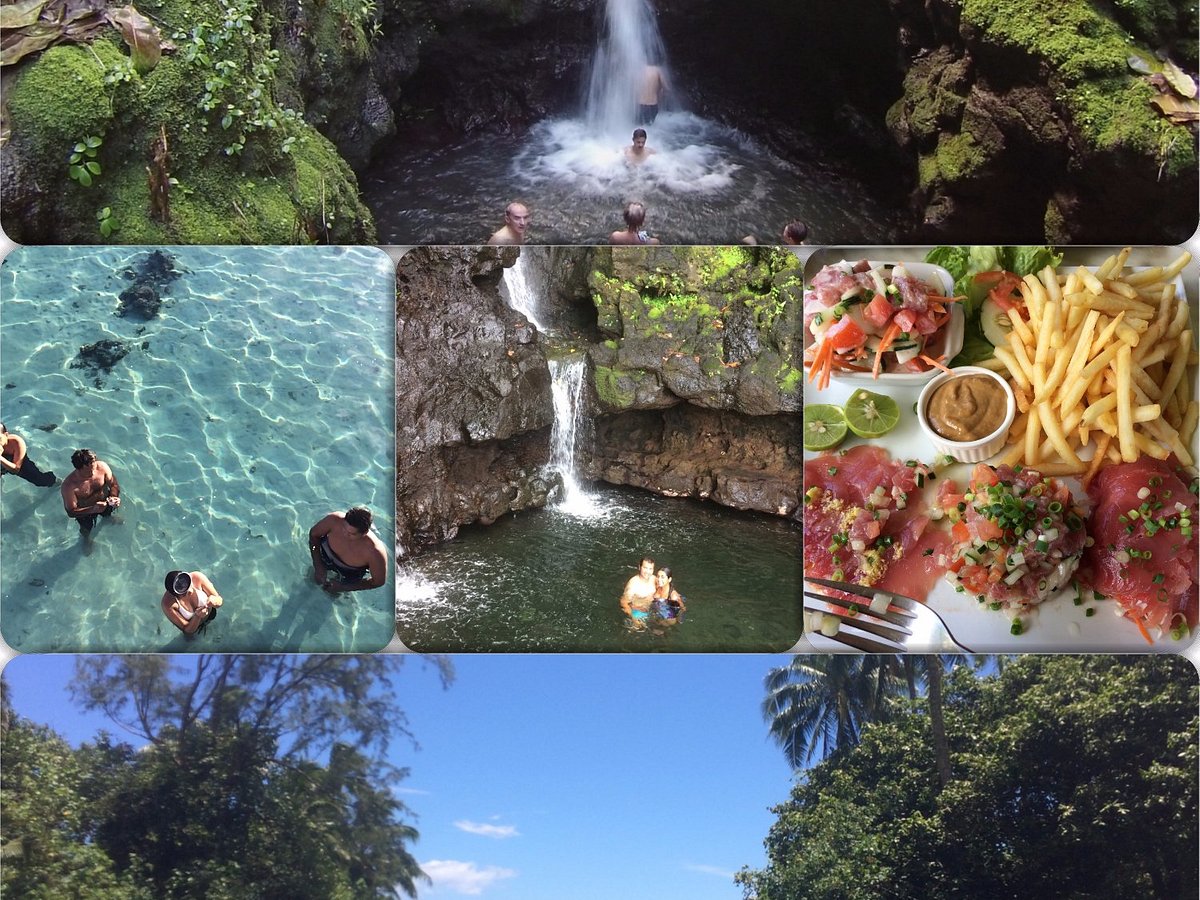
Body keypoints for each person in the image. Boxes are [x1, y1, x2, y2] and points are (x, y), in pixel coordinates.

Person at [309, 507, 388, 593]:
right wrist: (318, 564)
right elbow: (314, 535)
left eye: (352, 534)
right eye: (344, 528)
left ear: (364, 533)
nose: (345, 534)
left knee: (332, 593)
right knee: (312, 581)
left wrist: (344, 587)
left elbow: (378, 582)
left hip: (349, 572)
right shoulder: (334, 520)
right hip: (326, 554)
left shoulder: (375, 552)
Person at [60, 448, 120, 536]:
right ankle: (86, 540)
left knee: (107, 514)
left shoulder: (102, 467)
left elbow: (113, 484)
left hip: (106, 502)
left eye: (95, 461)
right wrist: (92, 509)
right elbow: (71, 512)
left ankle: (109, 518)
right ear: (81, 467)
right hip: (85, 513)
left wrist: (114, 496)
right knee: (86, 529)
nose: (95, 466)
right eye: (91, 464)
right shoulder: (69, 486)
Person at [161, 569, 223, 636]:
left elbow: (219, 600)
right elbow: (187, 631)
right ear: (174, 594)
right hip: (195, 630)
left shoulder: (197, 577)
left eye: (189, 585)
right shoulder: (168, 604)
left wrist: (215, 601)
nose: (190, 591)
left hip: (211, 614)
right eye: (185, 593)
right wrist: (197, 616)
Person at [0, 423, 56, 487]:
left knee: (40, 480)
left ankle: (56, 482)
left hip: (17, 460)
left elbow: (16, 470)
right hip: (5, 460)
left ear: (6, 435)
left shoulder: (16, 442)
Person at [619, 556, 657, 628]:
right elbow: (623, 603)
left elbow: (665, 586)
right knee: (639, 628)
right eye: (645, 568)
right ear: (639, 567)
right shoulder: (633, 585)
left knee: (669, 621)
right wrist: (634, 618)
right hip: (638, 612)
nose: (647, 572)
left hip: (652, 608)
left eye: (650, 569)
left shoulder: (654, 579)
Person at [637, 59, 669, 125]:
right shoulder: (658, 70)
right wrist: (661, 94)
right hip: (652, 104)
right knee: (650, 127)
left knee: (639, 126)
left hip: (640, 104)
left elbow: (633, 89)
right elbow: (666, 88)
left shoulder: (639, 71)